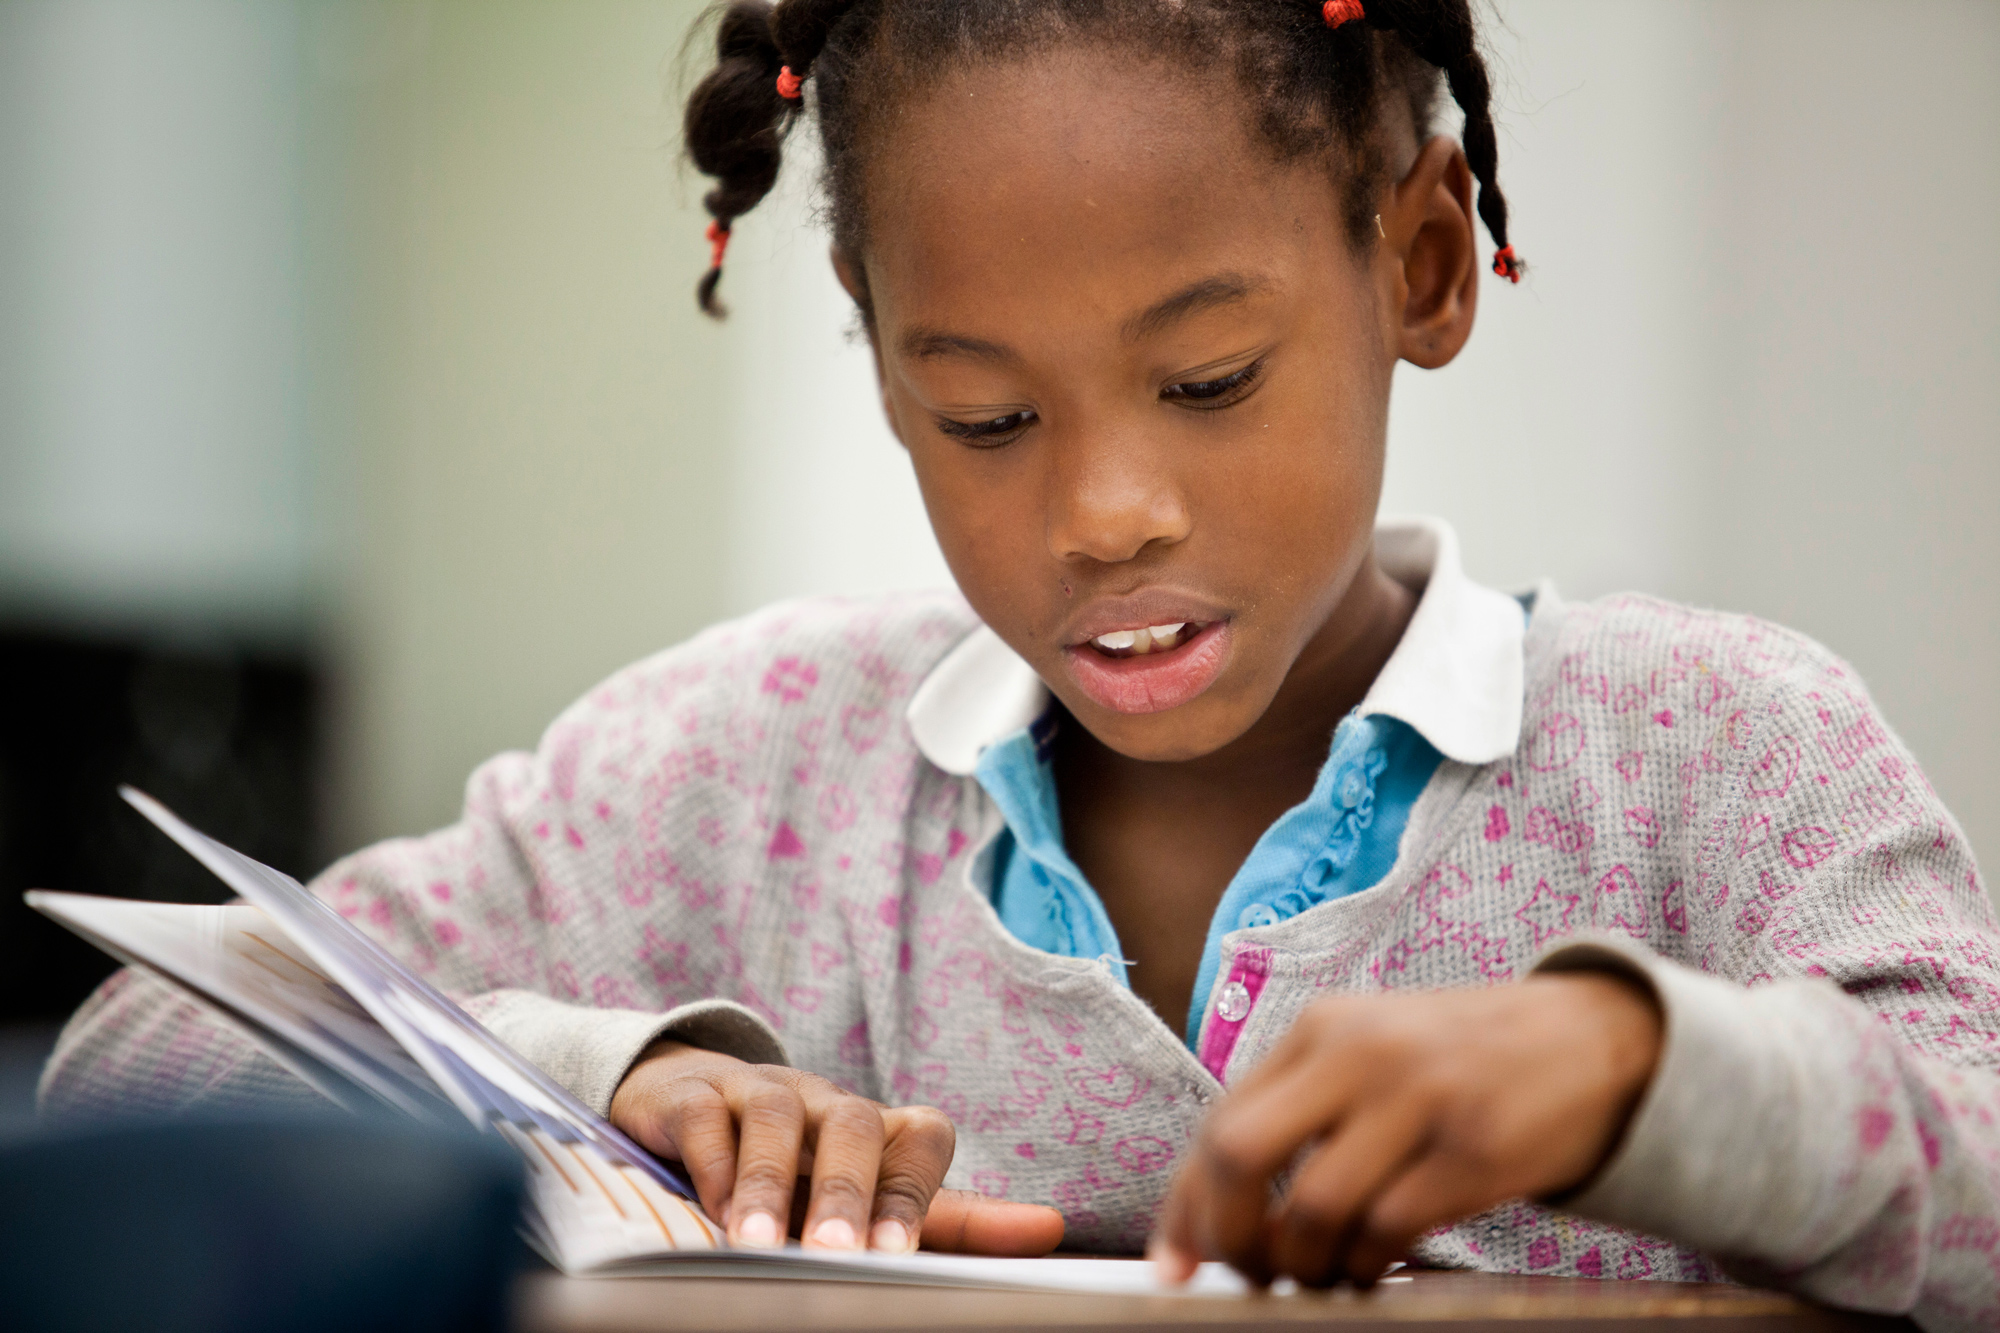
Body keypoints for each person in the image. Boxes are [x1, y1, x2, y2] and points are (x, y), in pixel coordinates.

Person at [40, 0, 1999, 1323]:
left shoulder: (1703, 748)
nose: (1103, 511)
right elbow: (137, 1060)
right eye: (982, 416)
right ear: (873, 340)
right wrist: (595, 1079)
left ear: (1416, 260)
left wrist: (1630, 1068)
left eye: (1209, 380)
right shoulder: (737, 772)